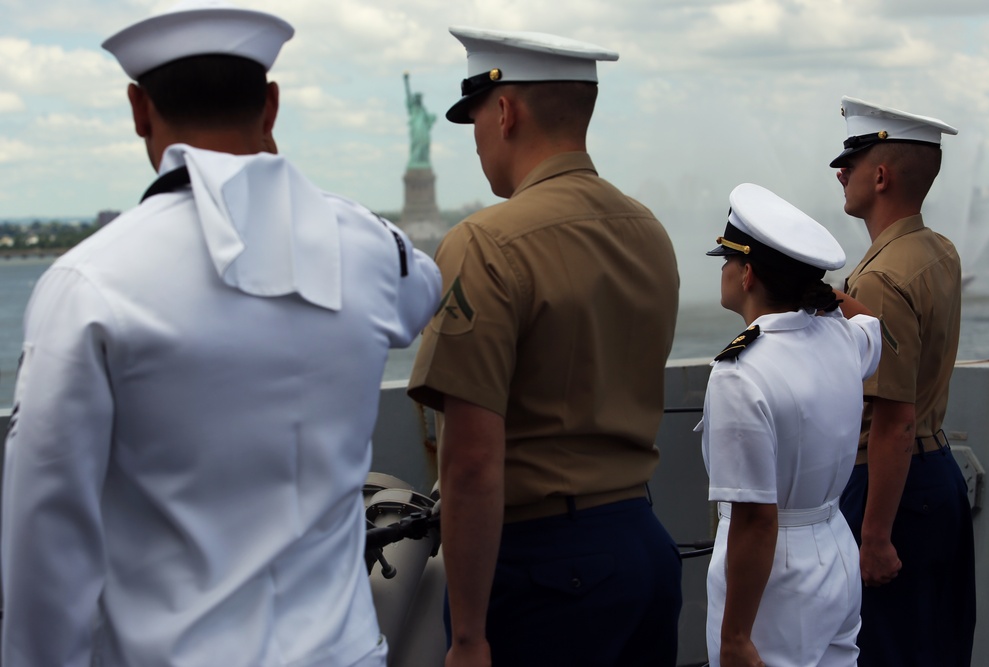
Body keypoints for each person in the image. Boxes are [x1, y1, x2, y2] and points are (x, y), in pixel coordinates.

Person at [0, 3, 440, 667]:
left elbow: (46, 542)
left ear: (138, 110)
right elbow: (424, 290)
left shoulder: (88, 283)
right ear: (271, 105)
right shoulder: (369, 250)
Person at [407, 26, 682, 667]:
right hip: (642, 547)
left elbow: (472, 462)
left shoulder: (483, 243)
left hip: (541, 571)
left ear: (503, 111)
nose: (474, 139)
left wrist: (470, 638)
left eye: (473, 117)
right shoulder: (649, 232)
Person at [700, 183, 881, 667]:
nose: (721, 268)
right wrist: (816, 292)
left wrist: (736, 636)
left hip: (774, 581)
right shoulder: (838, 335)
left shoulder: (740, 371)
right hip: (836, 548)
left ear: (747, 274)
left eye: (726, 259)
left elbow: (756, 518)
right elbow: (873, 324)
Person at [831, 97, 976, 666]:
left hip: (889, 485)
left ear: (882, 175)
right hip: (934, 475)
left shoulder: (884, 276)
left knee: (886, 647)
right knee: (938, 643)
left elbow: (893, 417)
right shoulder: (936, 251)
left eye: (852, 162)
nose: (841, 174)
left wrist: (875, 536)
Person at [404, 72, 436, 169]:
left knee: (424, 142)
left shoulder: (423, 110)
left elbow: (429, 120)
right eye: (417, 98)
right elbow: (408, 94)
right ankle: (415, 160)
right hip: (416, 130)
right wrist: (406, 81)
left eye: (419, 98)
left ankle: (423, 160)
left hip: (423, 130)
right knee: (417, 144)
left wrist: (432, 118)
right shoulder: (413, 108)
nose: (418, 100)